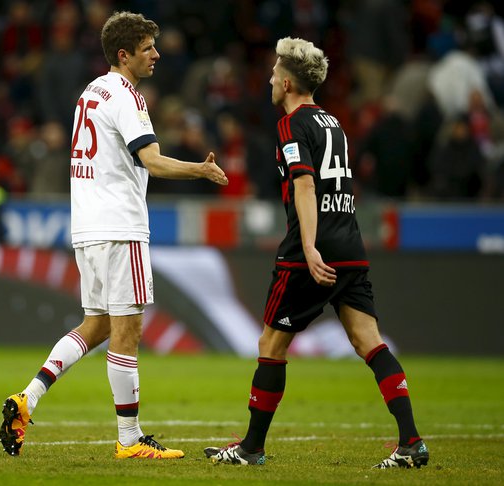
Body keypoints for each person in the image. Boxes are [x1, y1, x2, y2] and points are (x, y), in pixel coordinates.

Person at [0, 11, 227, 459]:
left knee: (98, 324)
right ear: (124, 55)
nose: (157, 55)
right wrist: (200, 169)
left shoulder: (91, 92)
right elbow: (154, 161)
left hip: (87, 227)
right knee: (128, 331)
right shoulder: (128, 97)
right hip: (121, 227)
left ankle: (29, 398)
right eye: (148, 49)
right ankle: (130, 439)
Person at [203, 38, 429, 469]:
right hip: (350, 243)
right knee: (369, 342)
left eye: (274, 73)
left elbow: (305, 184)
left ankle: (251, 448)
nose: (269, 78)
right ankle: (411, 442)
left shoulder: (291, 125)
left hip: (313, 248)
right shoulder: (333, 122)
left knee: (270, 345)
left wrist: (308, 246)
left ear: (287, 83)